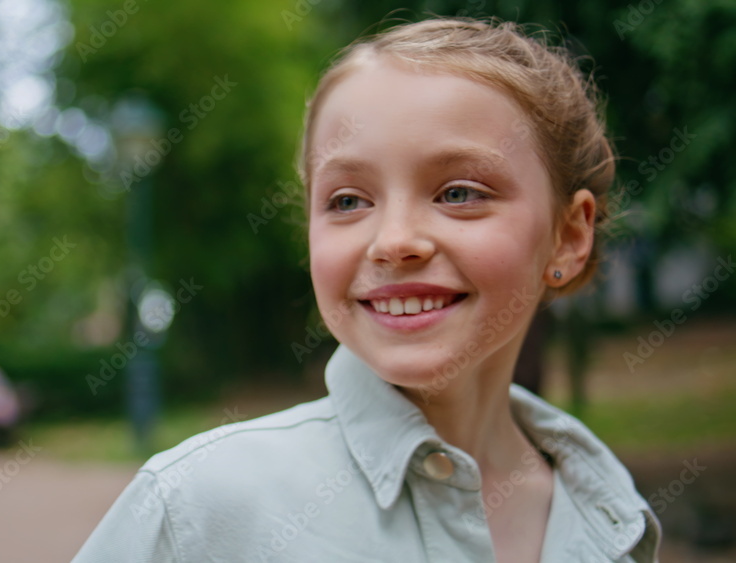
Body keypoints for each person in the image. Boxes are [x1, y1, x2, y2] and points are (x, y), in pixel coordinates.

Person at [74, 17, 660, 562]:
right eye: (348, 201)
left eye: (458, 192)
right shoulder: (196, 506)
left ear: (568, 235)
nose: (394, 241)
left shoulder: (612, 513)